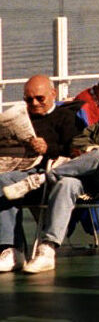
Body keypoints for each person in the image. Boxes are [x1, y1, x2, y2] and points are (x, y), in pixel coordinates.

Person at [1, 77, 99, 273]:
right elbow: (78, 143)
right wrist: (92, 149)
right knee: (65, 183)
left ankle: (44, 177)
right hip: (80, 176)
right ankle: (44, 249)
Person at [0, 75, 83, 272]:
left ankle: (38, 249)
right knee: (2, 181)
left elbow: (75, 151)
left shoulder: (67, 118)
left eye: (40, 98)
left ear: (53, 94)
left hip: (50, 175)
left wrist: (48, 149)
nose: (34, 103)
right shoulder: (25, 117)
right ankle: (12, 248)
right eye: (28, 100)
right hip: (22, 171)